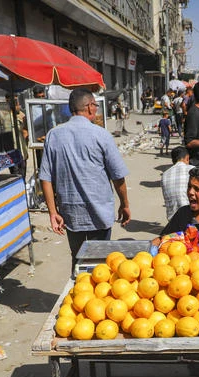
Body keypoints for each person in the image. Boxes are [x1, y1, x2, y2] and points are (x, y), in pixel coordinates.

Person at [38, 88, 131, 272]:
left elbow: (45, 178)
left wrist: (52, 212)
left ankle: (78, 293)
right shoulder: (101, 135)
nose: (96, 109)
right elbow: (117, 176)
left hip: (70, 214)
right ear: (89, 107)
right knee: (101, 265)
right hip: (99, 213)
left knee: (78, 259)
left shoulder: (54, 135)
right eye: (95, 105)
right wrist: (125, 204)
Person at [161, 146, 193, 221]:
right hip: (190, 216)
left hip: (172, 219)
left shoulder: (164, 175)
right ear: (187, 158)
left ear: (173, 160)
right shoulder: (192, 169)